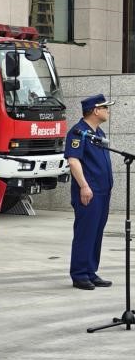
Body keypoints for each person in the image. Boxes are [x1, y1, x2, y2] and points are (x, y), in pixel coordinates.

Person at [67, 94, 114, 290]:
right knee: (85, 232)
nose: (108, 111)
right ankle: (79, 274)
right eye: (105, 108)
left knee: (96, 232)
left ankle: (90, 270)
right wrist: (84, 186)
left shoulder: (98, 132)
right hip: (89, 191)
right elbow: (73, 160)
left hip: (103, 191)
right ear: (95, 110)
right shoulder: (78, 132)